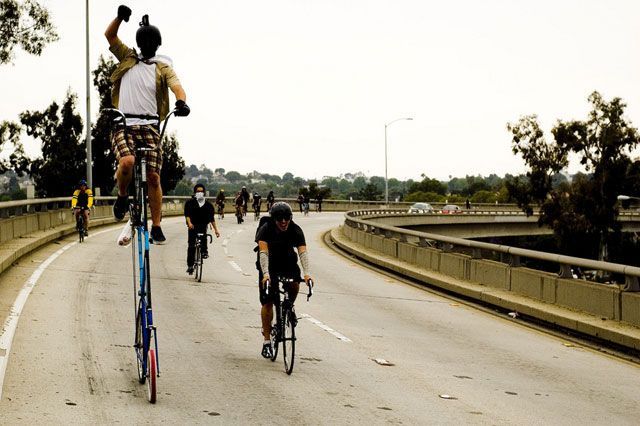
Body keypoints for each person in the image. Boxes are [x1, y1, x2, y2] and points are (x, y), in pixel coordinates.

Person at [105, 5, 190, 244]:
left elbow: (177, 87)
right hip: (124, 124)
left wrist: (181, 102)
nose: (149, 46)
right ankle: (123, 195)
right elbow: (110, 36)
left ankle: (156, 226)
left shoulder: (162, 67)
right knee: (127, 162)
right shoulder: (127, 58)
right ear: (139, 44)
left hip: (150, 126)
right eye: (145, 43)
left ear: (158, 45)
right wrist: (120, 18)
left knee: (153, 177)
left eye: (153, 43)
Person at [255, 202, 313, 358]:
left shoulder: (295, 229)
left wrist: (307, 274)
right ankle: (267, 341)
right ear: (274, 219)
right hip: (269, 264)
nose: (283, 222)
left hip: (287, 261)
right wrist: (266, 274)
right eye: (279, 219)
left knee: (295, 283)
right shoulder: (265, 228)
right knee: (268, 301)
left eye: (286, 218)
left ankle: (289, 307)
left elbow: (302, 252)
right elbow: (263, 252)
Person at [184, 184, 220, 274]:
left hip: (203, 225)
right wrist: (189, 223)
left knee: (203, 238)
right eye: (198, 191)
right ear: (195, 192)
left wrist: (216, 230)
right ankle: (190, 265)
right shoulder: (189, 203)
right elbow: (187, 215)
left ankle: (204, 252)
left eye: (201, 191)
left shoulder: (208, 205)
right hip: (192, 226)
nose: (200, 193)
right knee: (191, 246)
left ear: (204, 192)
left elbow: (212, 219)